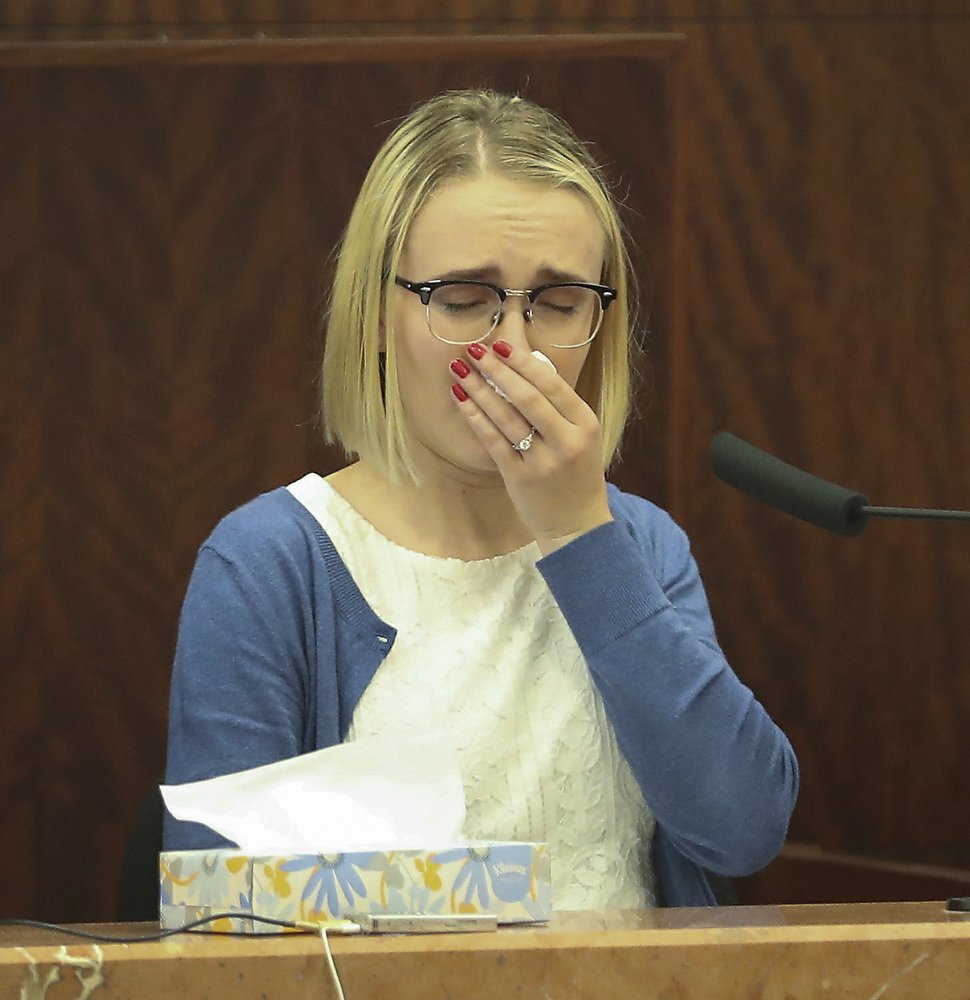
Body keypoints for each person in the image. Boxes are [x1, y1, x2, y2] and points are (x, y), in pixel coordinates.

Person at [163, 89, 798, 909]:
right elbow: (217, 914)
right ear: (377, 315)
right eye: (464, 301)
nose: (514, 351)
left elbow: (742, 831)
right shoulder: (268, 563)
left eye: (559, 304)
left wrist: (580, 536)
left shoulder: (640, 543)